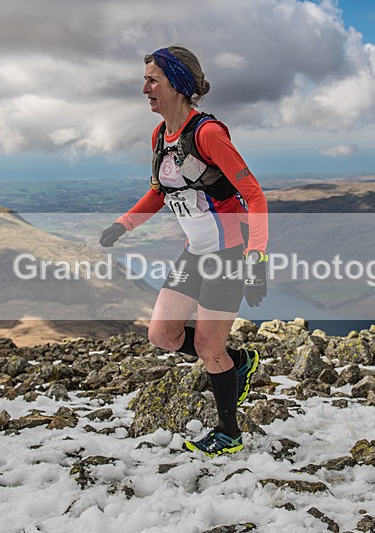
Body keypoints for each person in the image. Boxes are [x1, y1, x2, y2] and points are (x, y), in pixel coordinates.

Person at [99, 46, 268, 455]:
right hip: (195, 252)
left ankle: (229, 433)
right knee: (162, 334)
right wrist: (124, 224)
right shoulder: (161, 136)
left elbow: (254, 196)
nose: (145, 89)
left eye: (153, 80)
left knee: (210, 348)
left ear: (177, 84)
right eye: (146, 80)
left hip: (229, 253)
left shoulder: (208, 134)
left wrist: (257, 258)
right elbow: (161, 191)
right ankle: (237, 361)